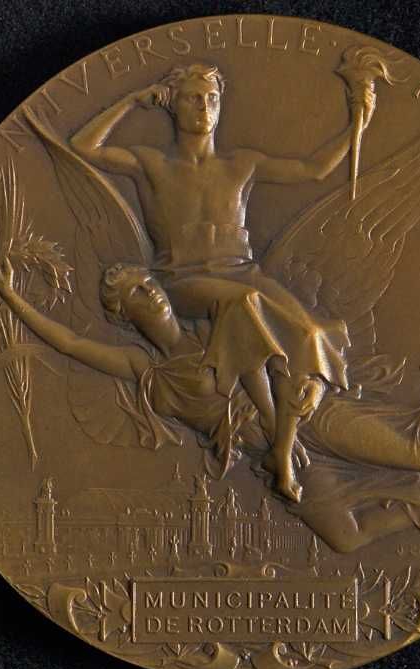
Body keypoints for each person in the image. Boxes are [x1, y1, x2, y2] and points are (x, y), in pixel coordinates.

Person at [0, 258, 420, 519]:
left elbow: (259, 327)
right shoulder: (145, 369)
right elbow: (68, 342)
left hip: (300, 420)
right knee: (346, 535)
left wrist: (302, 397)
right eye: (135, 293)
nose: (149, 292)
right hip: (259, 451)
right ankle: (288, 459)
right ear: (123, 314)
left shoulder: (213, 329)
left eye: (148, 282)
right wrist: (13, 299)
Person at [68, 63, 365, 501]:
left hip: (242, 272)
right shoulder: (151, 164)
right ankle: (276, 436)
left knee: (310, 333)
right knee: (243, 303)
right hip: (183, 280)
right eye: (192, 98)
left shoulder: (242, 163)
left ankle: (282, 451)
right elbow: (83, 145)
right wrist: (133, 100)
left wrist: (360, 122)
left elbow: (315, 169)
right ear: (173, 105)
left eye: (211, 99)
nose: (203, 107)